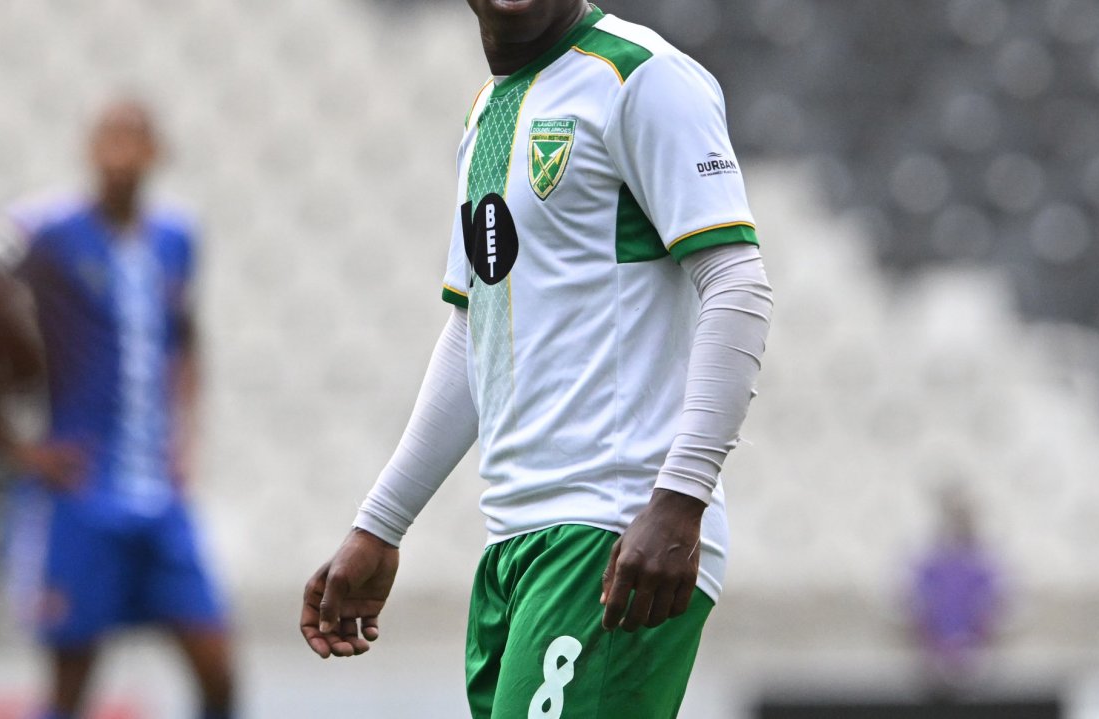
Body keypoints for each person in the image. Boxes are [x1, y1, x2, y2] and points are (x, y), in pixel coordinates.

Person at [300, 1, 774, 716]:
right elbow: (476, 331)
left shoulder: (639, 75)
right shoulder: (488, 113)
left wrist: (681, 499)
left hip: (612, 534)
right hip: (516, 544)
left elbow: (737, 284)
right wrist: (381, 524)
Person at [0, 100, 235, 719]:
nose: (119, 152)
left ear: (156, 152)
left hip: (158, 495)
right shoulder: (48, 231)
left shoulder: (176, 237)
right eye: (108, 136)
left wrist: (185, 435)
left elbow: (185, 338)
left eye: (133, 137)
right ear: (89, 148)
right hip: (82, 492)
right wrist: (20, 450)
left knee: (218, 671)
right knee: (70, 686)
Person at [910, 487, 1004, 695]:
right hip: (939, 647)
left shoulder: (982, 566)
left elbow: (990, 606)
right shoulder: (931, 565)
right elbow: (920, 604)